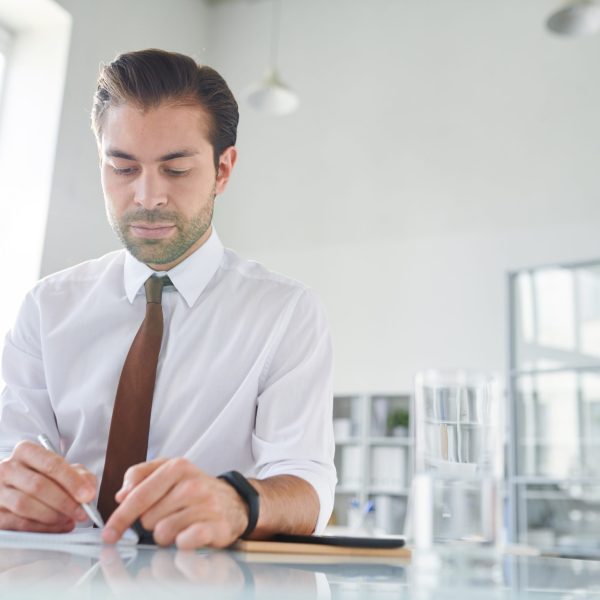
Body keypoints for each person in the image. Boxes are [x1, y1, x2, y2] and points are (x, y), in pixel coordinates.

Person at [0, 49, 335, 550]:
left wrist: (237, 502)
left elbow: (308, 488)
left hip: (205, 578)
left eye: (175, 170)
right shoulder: (47, 307)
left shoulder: (285, 313)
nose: (147, 196)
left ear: (223, 170)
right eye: (123, 168)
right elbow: (11, 453)